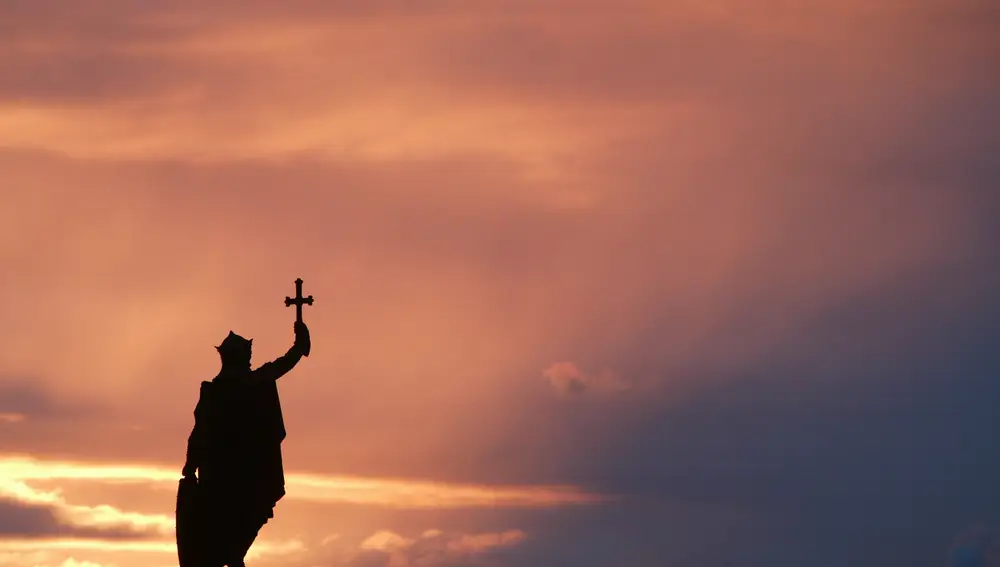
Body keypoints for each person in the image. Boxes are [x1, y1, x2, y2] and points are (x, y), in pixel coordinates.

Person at [180, 321, 311, 567]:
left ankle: (233, 557)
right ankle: (233, 557)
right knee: (232, 536)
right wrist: (299, 346)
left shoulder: (216, 391)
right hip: (238, 478)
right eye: (247, 355)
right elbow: (200, 431)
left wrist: (190, 466)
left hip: (226, 478)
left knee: (234, 535)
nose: (250, 360)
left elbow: (198, 433)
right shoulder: (236, 386)